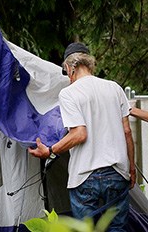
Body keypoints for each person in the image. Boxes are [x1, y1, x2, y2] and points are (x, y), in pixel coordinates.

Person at [28, 42, 135, 231]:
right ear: (90, 64)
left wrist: (51, 150)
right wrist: (131, 168)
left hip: (85, 176)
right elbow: (127, 132)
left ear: (70, 68)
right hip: (117, 173)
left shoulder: (69, 94)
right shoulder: (114, 88)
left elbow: (79, 134)